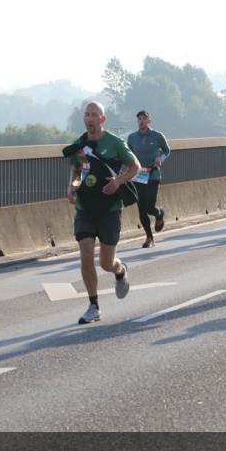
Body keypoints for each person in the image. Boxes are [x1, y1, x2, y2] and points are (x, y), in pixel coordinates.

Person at [66, 101, 141, 324]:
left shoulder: (115, 143)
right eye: (86, 115)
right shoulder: (79, 144)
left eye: (94, 115)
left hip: (109, 209)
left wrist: (117, 182)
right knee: (85, 255)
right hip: (85, 207)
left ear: (102, 119)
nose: (89, 119)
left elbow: (135, 167)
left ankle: (120, 270)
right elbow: (78, 169)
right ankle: (93, 306)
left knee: (106, 263)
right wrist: (72, 187)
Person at [126, 110, 171, 248]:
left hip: (153, 174)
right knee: (141, 208)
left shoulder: (157, 136)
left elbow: (167, 150)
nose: (141, 121)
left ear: (149, 121)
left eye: (144, 118)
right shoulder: (132, 137)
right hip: (139, 174)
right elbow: (128, 153)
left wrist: (161, 158)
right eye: (139, 119)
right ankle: (149, 237)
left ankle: (159, 213)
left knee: (149, 206)